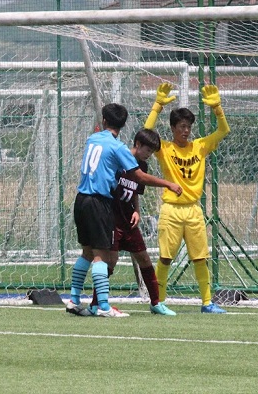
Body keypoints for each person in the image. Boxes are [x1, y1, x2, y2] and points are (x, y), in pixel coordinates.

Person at [67, 103, 182, 318]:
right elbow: (139, 176)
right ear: (123, 125)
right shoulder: (118, 148)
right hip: (99, 202)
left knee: (87, 252)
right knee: (101, 257)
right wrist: (168, 184)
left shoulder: (93, 139)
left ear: (104, 120)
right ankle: (103, 306)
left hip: (81, 199)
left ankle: (73, 300)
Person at [144, 83, 229, 314]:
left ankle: (207, 303)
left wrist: (217, 108)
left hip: (193, 210)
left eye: (189, 127)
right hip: (171, 209)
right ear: (173, 128)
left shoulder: (199, 146)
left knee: (200, 258)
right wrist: (158, 105)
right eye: (182, 126)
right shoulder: (165, 148)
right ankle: (158, 302)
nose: (186, 131)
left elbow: (223, 131)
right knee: (165, 258)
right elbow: (146, 132)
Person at [86, 129, 177, 316]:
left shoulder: (142, 166)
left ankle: (156, 303)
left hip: (128, 220)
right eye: (148, 150)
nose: (149, 155)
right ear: (137, 144)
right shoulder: (119, 159)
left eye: (152, 152)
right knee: (110, 261)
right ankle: (96, 304)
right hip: (112, 219)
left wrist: (137, 210)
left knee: (144, 258)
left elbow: (135, 190)